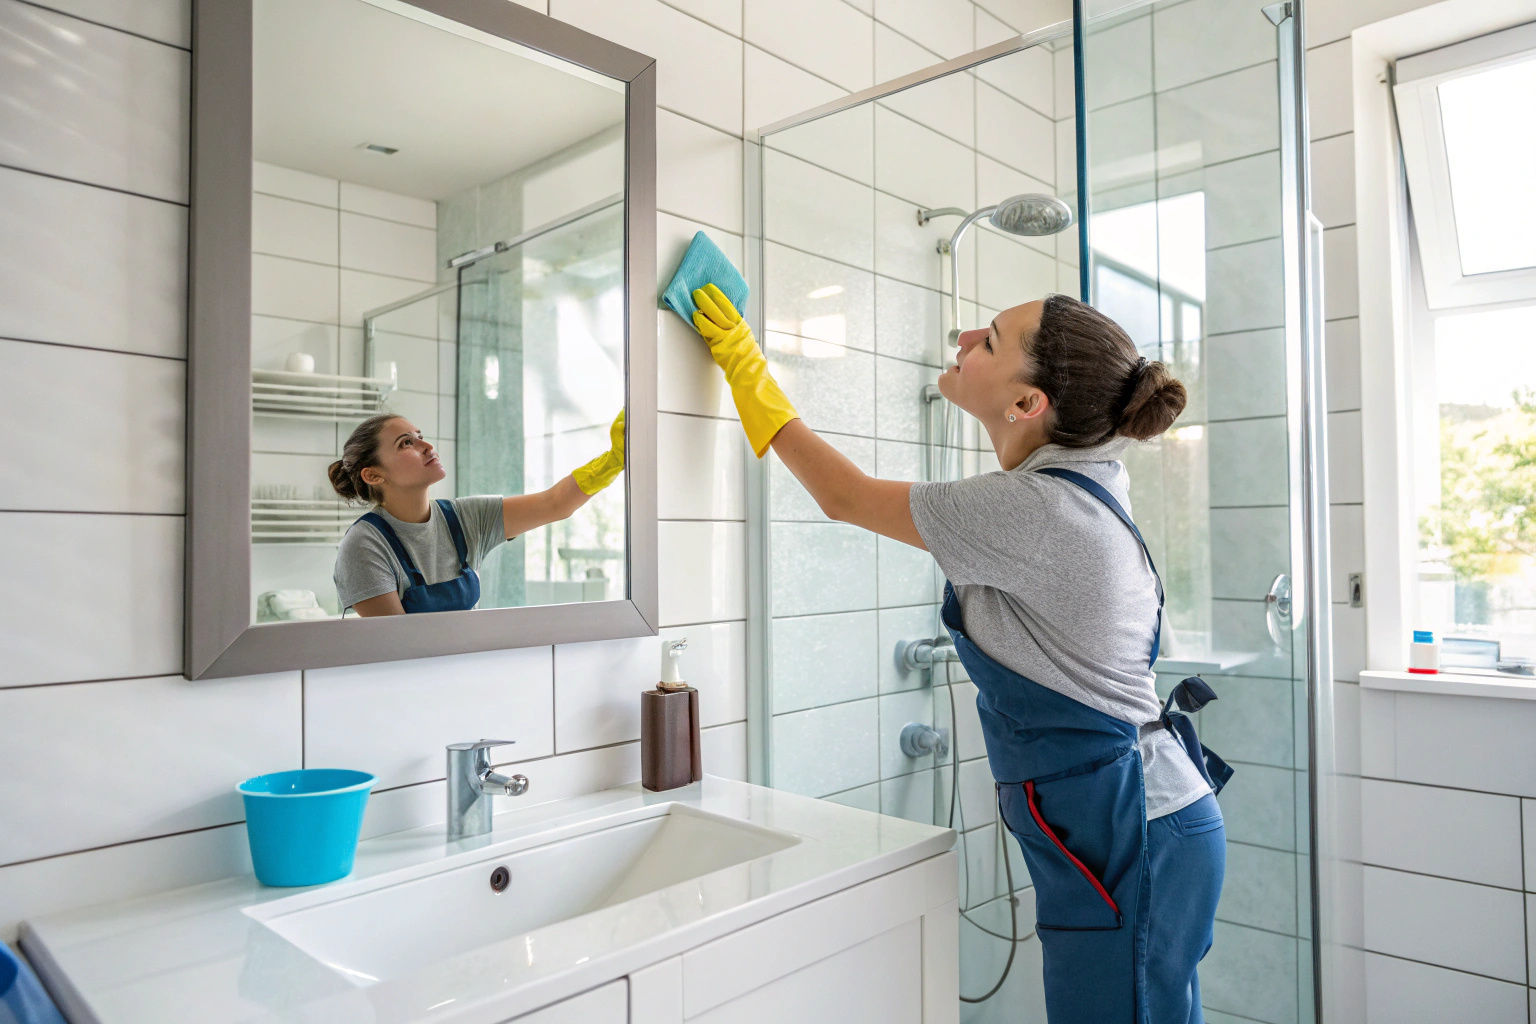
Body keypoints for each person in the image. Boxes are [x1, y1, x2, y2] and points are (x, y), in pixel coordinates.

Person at [688, 284, 1230, 1023]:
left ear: (1028, 403)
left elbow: (843, 496)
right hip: (1147, 823)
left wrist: (749, 371)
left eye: (993, 340)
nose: (966, 335)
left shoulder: (1035, 509)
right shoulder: (1083, 479)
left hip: (1133, 833)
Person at [326, 410, 624, 616]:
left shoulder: (465, 518)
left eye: (420, 436)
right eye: (407, 443)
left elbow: (555, 504)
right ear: (373, 475)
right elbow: (398, 647)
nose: (427, 446)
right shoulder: (364, 546)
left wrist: (614, 458)